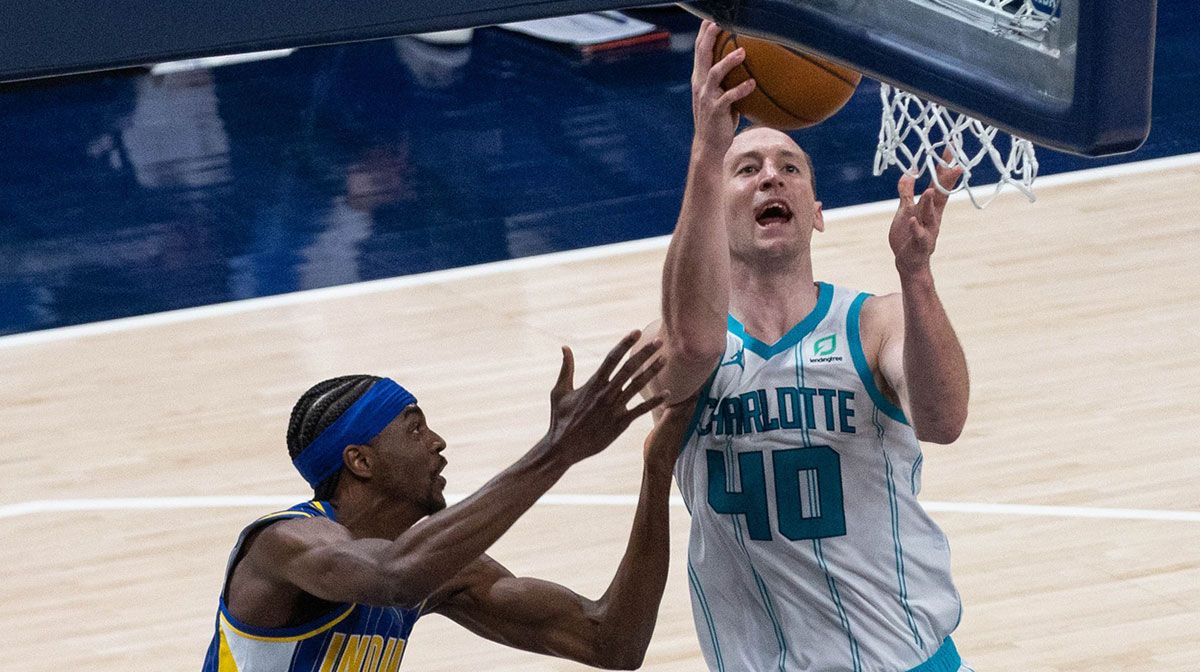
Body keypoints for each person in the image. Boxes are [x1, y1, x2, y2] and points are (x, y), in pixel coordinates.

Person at [639, 20, 974, 672]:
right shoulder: (671, 344)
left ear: (816, 210)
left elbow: (945, 420)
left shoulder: (876, 323)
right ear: (717, 200)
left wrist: (917, 277)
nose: (771, 177)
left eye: (790, 167)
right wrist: (709, 150)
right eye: (748, 169)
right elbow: (691, 344)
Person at [203, 332, 692, 671]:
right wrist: (557, 451)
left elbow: (613, 642)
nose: (437, 442)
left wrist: (657, 468)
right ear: (360, 461)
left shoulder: (437, 571)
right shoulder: (282, 544)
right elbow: (393, 575)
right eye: (415, 428)